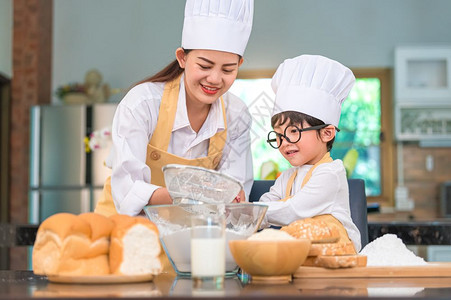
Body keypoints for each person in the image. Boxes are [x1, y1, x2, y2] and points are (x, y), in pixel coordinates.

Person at [95, 0, 254, 217]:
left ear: (239, 65)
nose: (215, 79)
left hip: (188, 234)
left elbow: (235, 191)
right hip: (125, 229)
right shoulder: (144, 103)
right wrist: (188, 195)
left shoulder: (236, 114)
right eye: (205, 66)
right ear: (182, 58)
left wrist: (232, 197)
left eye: (228, 69)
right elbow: (127, 189)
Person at [259, 54, 361, 252]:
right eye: (278, 136)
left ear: (326, 133)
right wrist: (244, 215)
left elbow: (294, 210)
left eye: (294, 132)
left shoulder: (330, 173)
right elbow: (267, 202)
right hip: (302, 254)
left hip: (337, 254)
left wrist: (248, 212)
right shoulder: (287, 176)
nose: (284, 143)